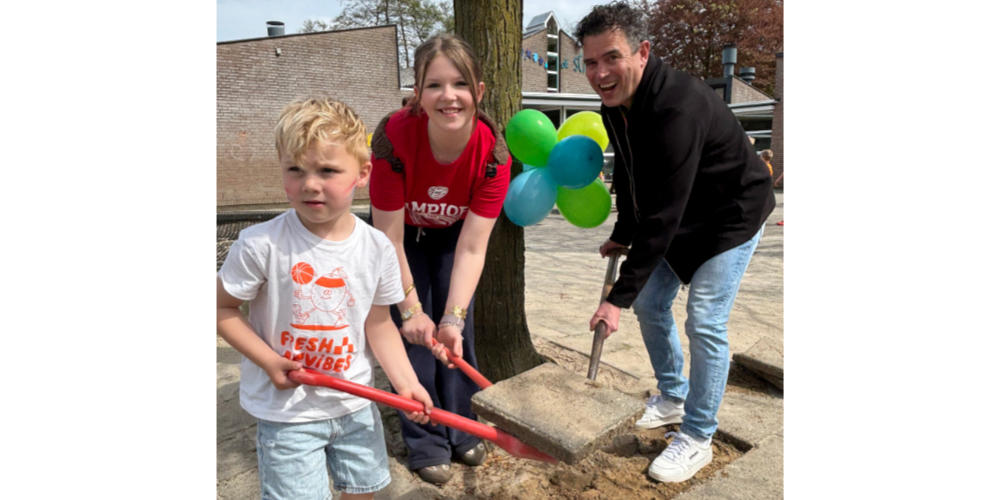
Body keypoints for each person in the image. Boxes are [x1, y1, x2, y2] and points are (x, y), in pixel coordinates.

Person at [575, 2, 776, 484]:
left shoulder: (677, 106)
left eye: (612, 58)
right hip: (684, 217)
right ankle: (673, 396)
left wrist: (614, 299)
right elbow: (626, 170)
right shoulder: (614, 105)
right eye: (590, 62)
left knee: (705, 318)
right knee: (652, 304)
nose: (600, 73)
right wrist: (625, 233)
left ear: (643, 52)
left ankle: (699, 435)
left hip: (730, 219)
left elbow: (663, 214)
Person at [217, 97, 441, 500]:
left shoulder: (377, 247)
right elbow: (220, 308)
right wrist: (269, 361)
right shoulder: (260, 244)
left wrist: (406, 383)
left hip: (356, 405)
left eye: (327, 170)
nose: (310, 184)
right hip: (288, 415)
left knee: (364, 493)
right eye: (295, 170)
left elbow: (379, 325)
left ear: (363, 172)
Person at [368, 33, 512, 485]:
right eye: (434, 85)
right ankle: (426, 438)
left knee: (455, 334)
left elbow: (473, 245)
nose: (448, 97)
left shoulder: (494, 154)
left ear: (479, 92)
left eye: (460, 85)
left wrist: (451, 316)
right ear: (417, 92)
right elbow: (386, 238)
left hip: (454, 237)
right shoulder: (393, 137)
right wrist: (410, 308)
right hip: (401, 237)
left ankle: (460, 427)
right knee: (414, 339)